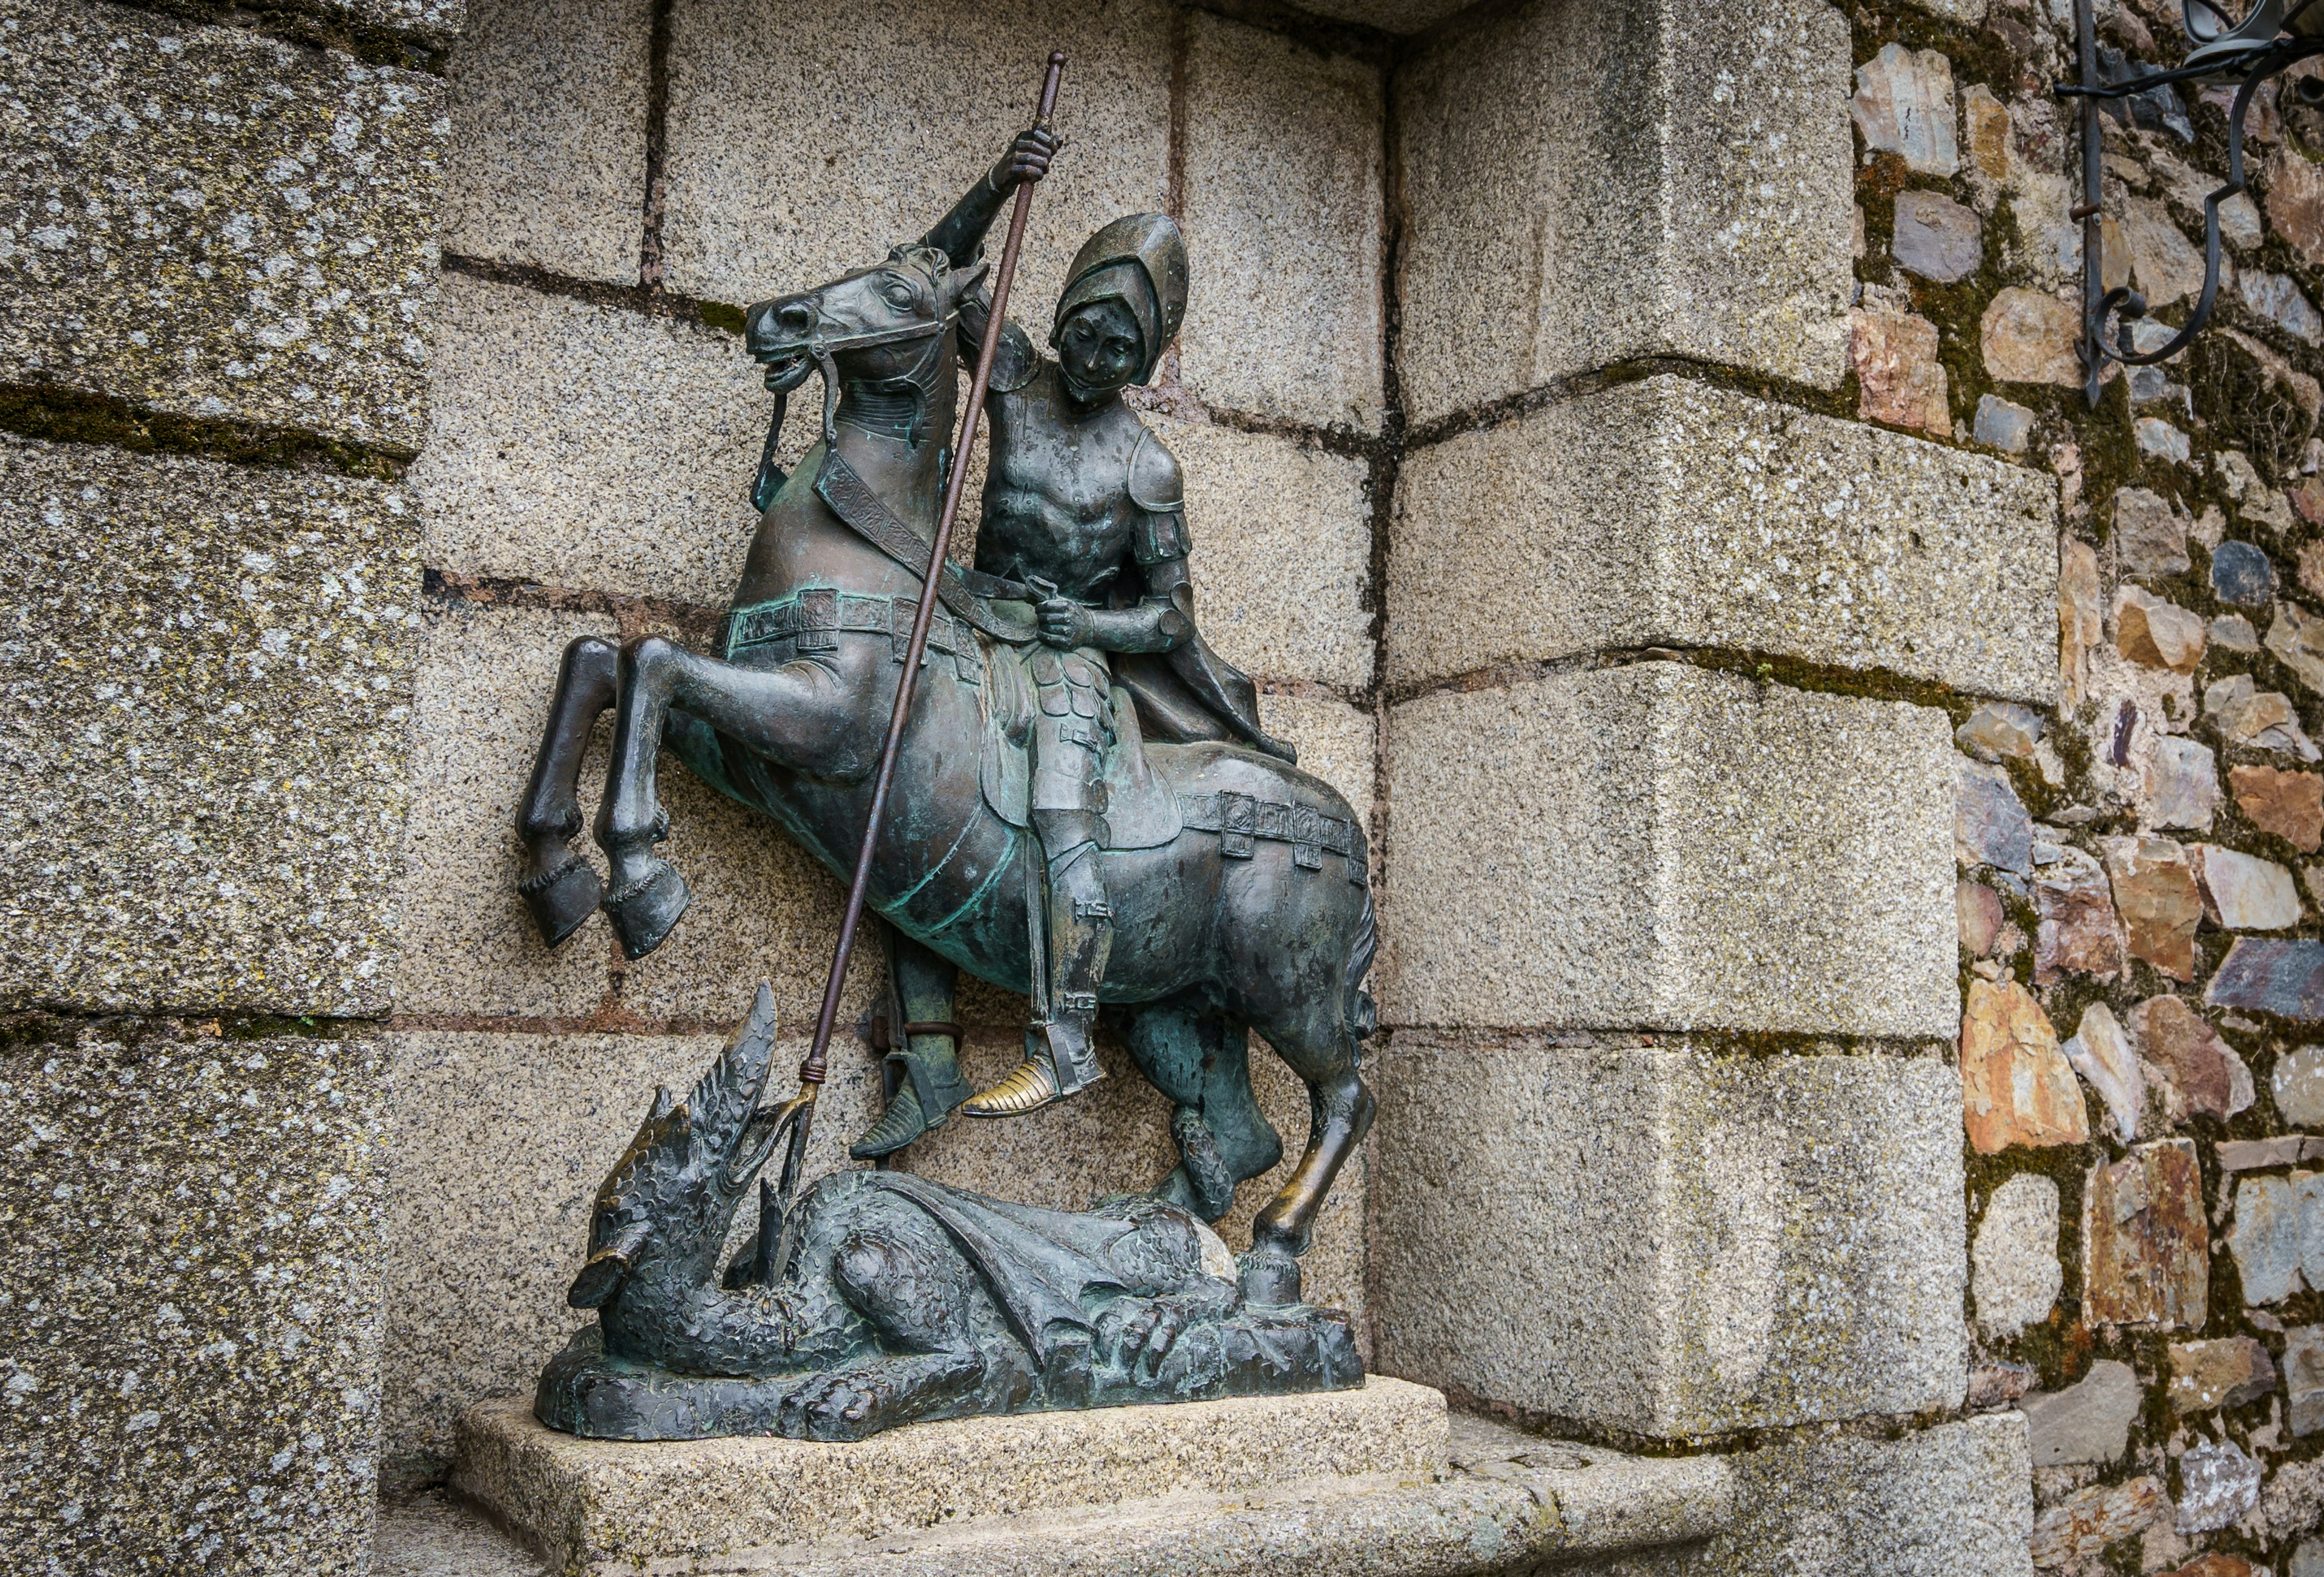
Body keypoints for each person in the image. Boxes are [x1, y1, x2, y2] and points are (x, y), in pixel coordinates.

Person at [911, 127, 1293, 1120]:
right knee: (911, 793)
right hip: (965, 623)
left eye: (1122, 349)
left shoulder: (1146, 468)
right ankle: (925, 1057)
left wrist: (1081, 621)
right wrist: (999, 181)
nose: (1095, 357)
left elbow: (1169, 620)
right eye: (1087, 332)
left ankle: (1067, 1035)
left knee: (1059, 822)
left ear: (1148, 359)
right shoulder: (1014, 379)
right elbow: (932, 272)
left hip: (1068, 661)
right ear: (1068, 313)